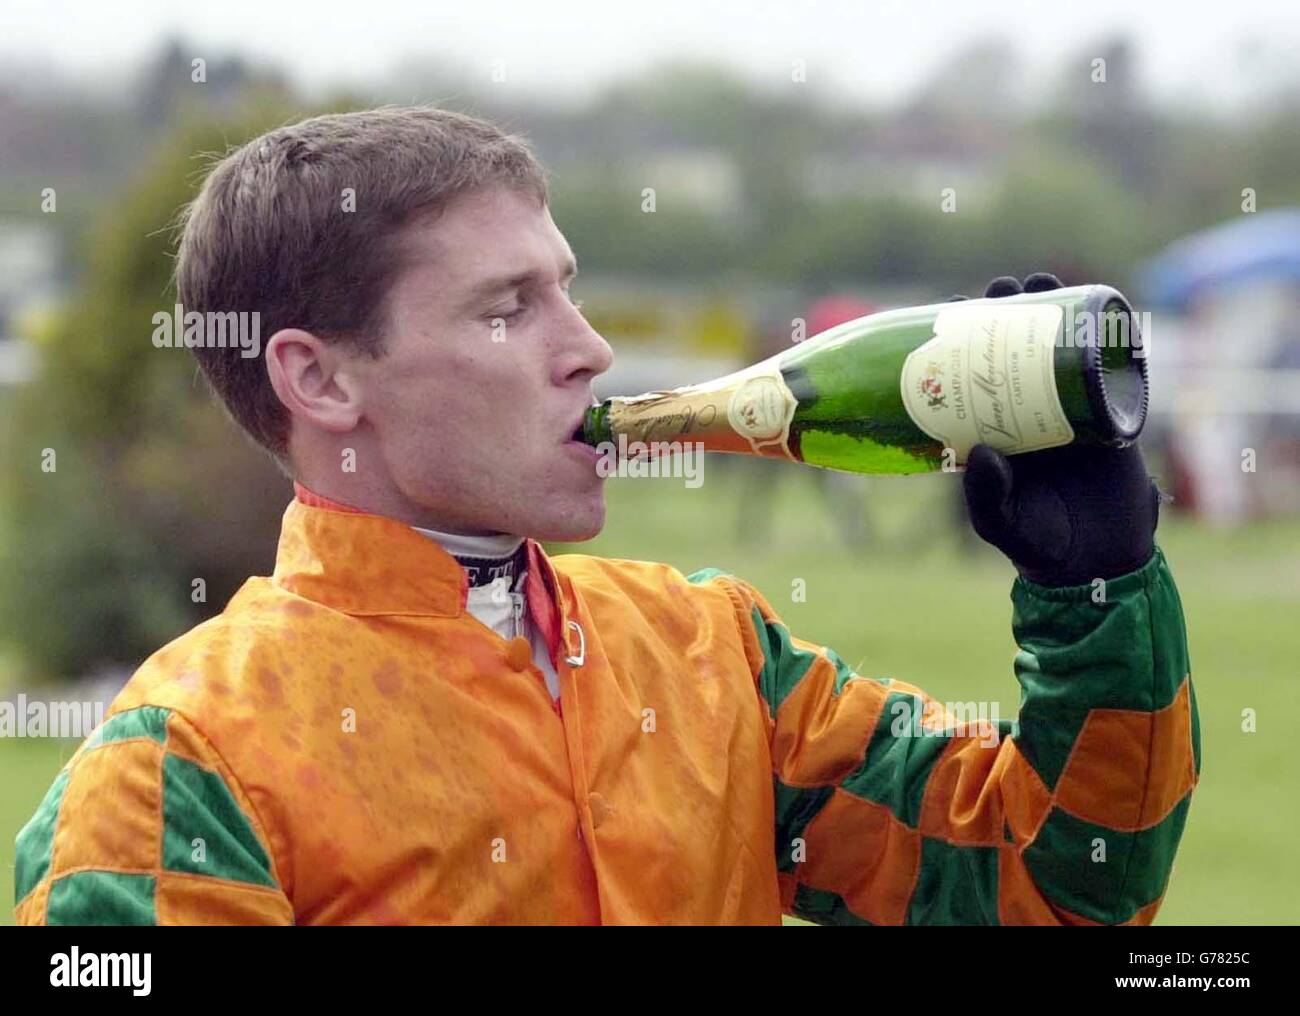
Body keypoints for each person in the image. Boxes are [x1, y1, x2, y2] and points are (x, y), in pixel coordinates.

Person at [14, 108, 1198, 926]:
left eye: (566, 290)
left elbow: (1058, 892)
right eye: (506, 308)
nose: (589, 349)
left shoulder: (715, 655)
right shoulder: (178, 768)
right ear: (319, 378)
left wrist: (1093, 594)